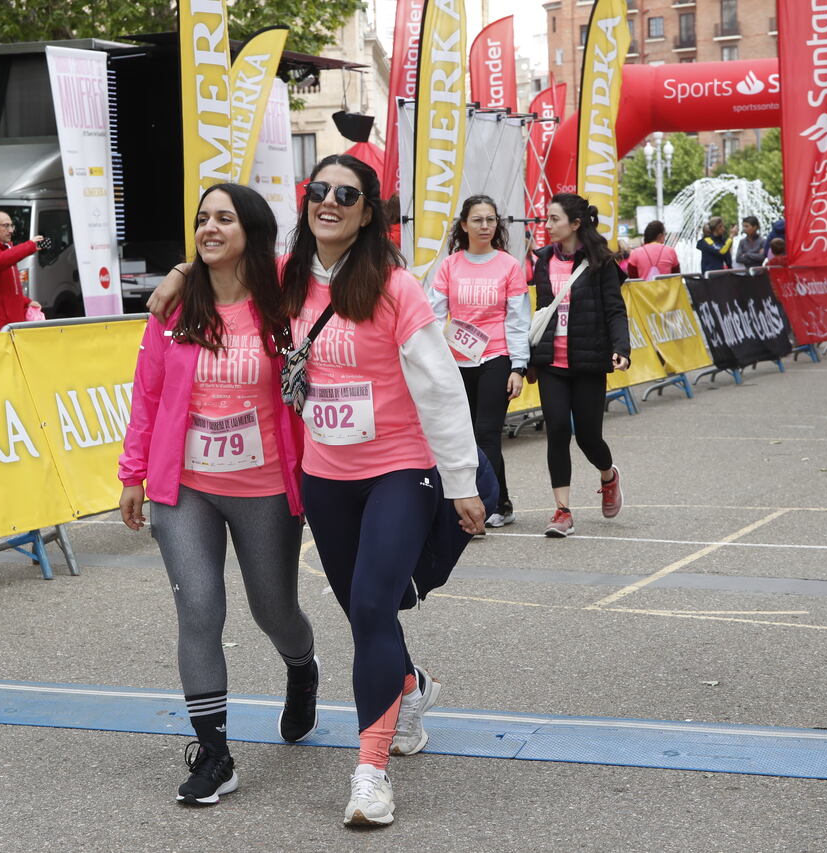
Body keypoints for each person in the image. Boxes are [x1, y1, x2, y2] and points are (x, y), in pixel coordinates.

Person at [282, 155, 484, 827]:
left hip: (400, 467)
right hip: (325, 475)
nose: (330, 202)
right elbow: (215, 272)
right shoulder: (284, 281)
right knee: (362, 613)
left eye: (347, 195)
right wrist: (177, 278)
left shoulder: (396, 288)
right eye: (319, 190)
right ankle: (410, 685)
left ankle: (370, 773)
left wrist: (461, 481)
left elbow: (441, 387)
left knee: (372, 605)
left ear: (368, 212)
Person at [118, 183, 319, 806]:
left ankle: (301, 667)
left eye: (224, 219)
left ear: (251, 232)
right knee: (200, 612)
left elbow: (315, 259)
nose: (209, 228)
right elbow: (148, 393)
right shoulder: (175, 310)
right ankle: (214, 754)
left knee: (273, 611)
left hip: (266, 486)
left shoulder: (283, 298)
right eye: (202, 219)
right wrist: (132, 474)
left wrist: (180, 269)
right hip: (186, 488)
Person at [529, 193, 631, 538]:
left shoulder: (600, 262)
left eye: (554, 219)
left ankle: (608, 476)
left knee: (588, 437)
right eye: (547, 218)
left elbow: (615, 310)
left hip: (589, 361)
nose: (547, 225)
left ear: (575, 224)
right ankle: (562, 511)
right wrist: (527, 360)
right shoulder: (543, 260)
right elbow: (539, 310)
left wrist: (621, 348)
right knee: (557, 430)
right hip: (551, 363)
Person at [427, 194, 529, 528]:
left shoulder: (509, 266)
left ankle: (487, 505)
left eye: (490, 220)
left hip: (495, 358)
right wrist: (430, 360)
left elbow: (517, 320)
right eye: (478, 220)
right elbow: (433, 315)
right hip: (456, 362)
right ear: (464, 225)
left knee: (487, 433)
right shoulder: (450, 265)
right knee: (465, 436)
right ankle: (495, 501)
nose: (485, 226)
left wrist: (518, 367)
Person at [0, 210, 42, 332]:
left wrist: (26, 302)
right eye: (6, 226)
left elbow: (8, 290)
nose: (11, 230)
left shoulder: (5, 250)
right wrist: (28, 246)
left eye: (11, 226)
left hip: (10, 322)